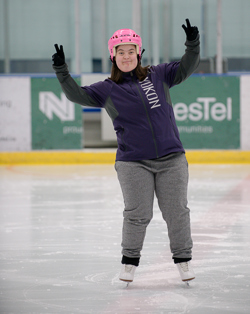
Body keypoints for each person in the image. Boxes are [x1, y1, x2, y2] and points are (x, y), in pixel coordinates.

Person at [52, 18, 200, 284]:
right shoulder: (107, 90)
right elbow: (75, 95)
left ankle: (183, 261)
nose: (127, 56)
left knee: (177, 211)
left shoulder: (159, 74)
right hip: (133, 162)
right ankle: (129, 263)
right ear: (114, 56)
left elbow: (188, 66)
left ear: (139, 53)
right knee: (137, 214)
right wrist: (62, 71)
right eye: (121, 52)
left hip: (172, 159)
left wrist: (193, 44)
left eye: (131, 51)